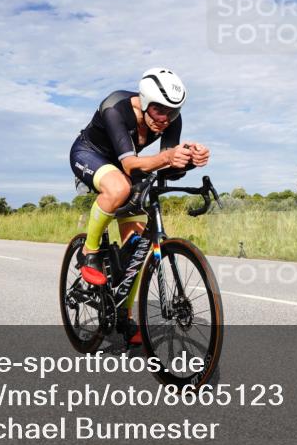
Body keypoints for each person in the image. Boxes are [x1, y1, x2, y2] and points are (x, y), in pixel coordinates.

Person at [69, 68, 210, 343]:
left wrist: (190, 159)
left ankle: (124, 314)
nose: (165, 119)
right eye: (159, 111)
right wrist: (168, 156)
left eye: (173, 112)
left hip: (124, 165)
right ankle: (90, 251)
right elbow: (132, 164)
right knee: (119, 187)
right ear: (144, 101)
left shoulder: (170, 120)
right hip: (89, 154)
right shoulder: (115, 108)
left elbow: (167, 167)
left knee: (136, 246)